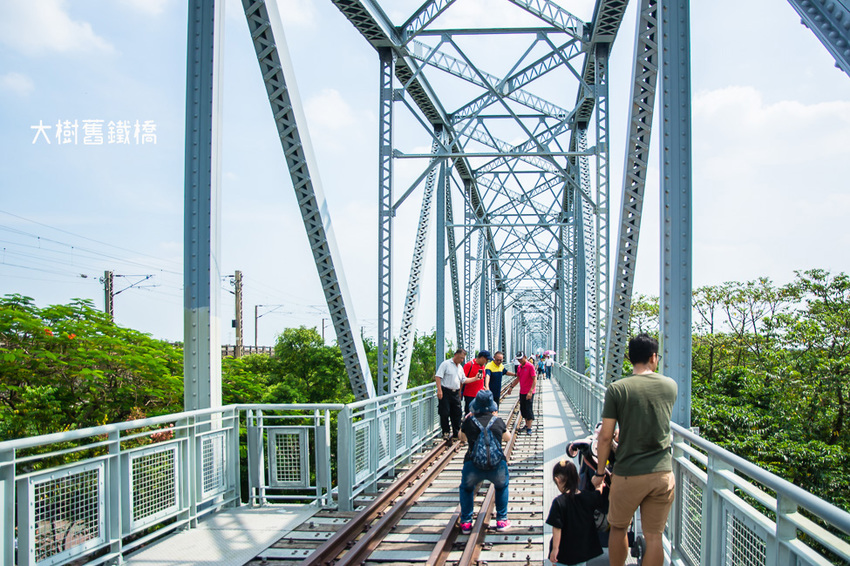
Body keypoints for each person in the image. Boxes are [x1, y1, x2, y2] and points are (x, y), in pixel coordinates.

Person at [591, 333, 678, 566]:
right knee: (654, 536)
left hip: (628, 473)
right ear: (653, 357)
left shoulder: (618, 389)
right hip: (661, 473)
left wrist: (600, 474)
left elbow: (606, 436)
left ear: (630, 358)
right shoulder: (670, 386)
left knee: (618, 528)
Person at [458, 389, 512, 534]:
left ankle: (466, 523)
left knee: (466, 488)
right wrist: (496, 421)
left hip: (473, 466)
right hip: (496, 466)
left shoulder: (470, 421)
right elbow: (508, 437)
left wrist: (467, 419)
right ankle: (502, 520)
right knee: (502, 486)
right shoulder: (497, 421)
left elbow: (461, 438)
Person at [547, 459, 606, 566]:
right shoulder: (587, 497)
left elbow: (557, 528)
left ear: (558, 480)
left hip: (563, 554)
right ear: (577, 478)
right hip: (582, 551)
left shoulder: (559, 502)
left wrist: (555, 549)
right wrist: (598, 485)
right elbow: (597, 493)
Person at [435, 349, 482, 441]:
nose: (461, 360)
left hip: (455, 392)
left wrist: (475, 378)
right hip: (445, 391)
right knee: (444, 412)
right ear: (455, 355)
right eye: (460, 358)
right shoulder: (446, 364)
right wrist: (439, 390)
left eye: (463, 359)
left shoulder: (460, 367)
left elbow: (464, 380)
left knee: (457, 413)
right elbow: (438, 376)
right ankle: (446, 432)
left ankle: (456, 433)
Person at [512, 352, 536, 435]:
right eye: (518, 359)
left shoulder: (530, 366)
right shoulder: (519, 367)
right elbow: (518, 378)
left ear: (525, 357)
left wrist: (531, 391)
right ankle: (526, 425)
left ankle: (529, 428)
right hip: (522, 391)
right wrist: (511, 387)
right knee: (523, 409)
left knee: (529, 409)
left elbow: (534, 379)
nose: (519, 361)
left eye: (521, 359)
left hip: (529, 392)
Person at [462, 350, 491, 414]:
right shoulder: (469, 365)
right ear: (482, 358)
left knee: (479, 413)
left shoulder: (482, 366)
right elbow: (462, 380)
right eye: (486, 360)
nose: (487, 362)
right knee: (470, 413)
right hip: (470, 395)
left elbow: (482, 379)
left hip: (480, 395)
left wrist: (485, 387)